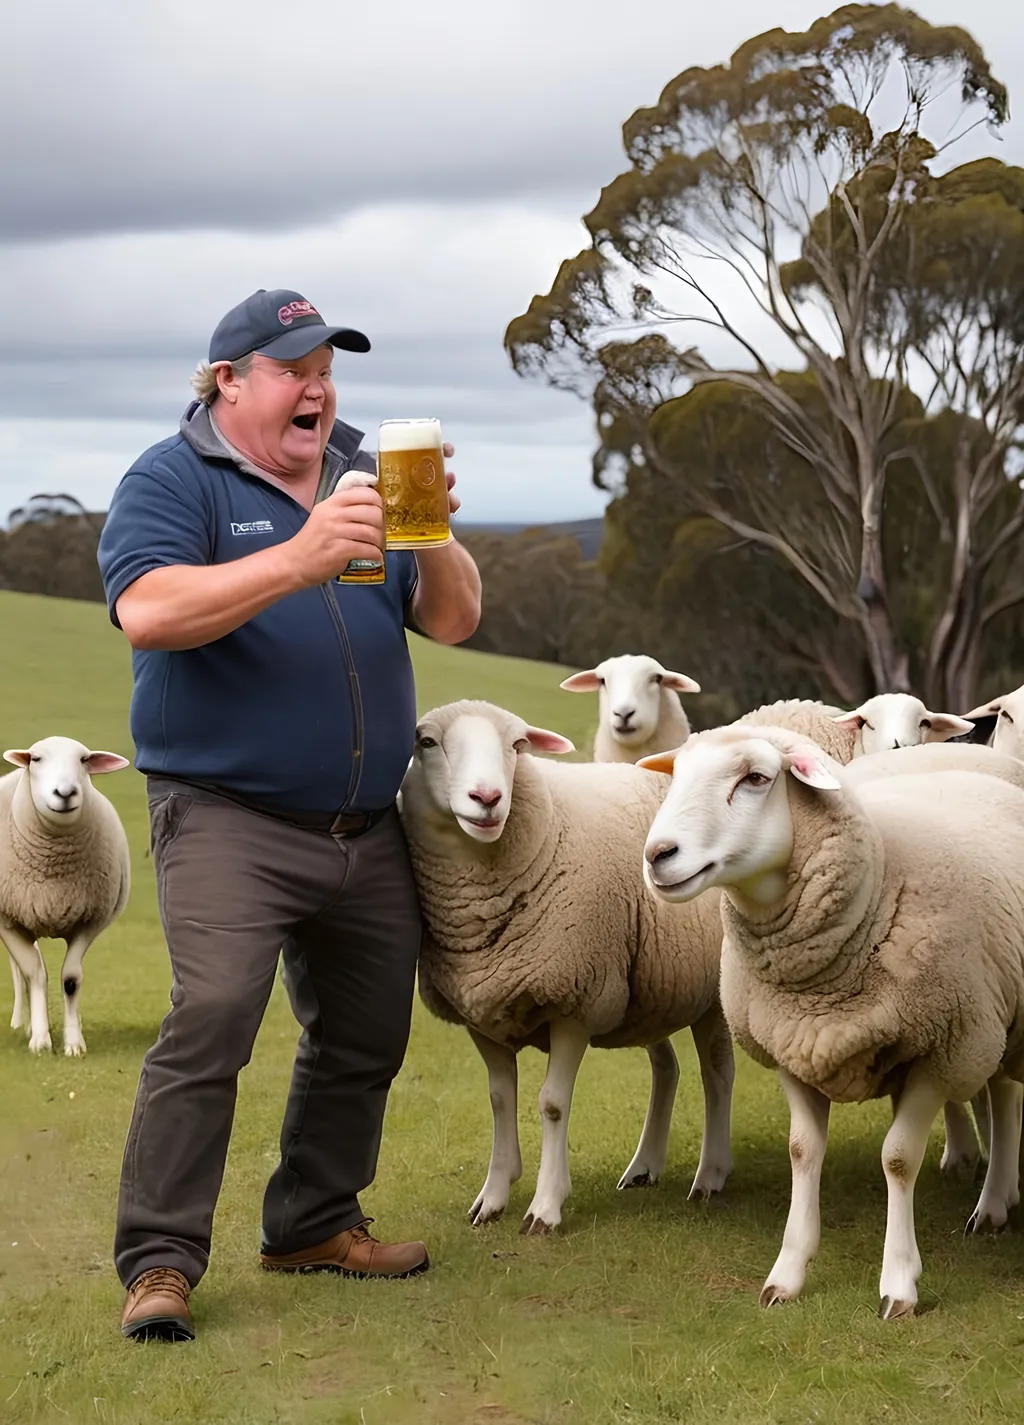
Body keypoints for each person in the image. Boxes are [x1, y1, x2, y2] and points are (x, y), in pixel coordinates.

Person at [96, 288, 482, 1343]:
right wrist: (300, 557)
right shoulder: (176, 477)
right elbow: (149, 610)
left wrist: (432, 530)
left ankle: (313, 1222)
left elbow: (453, 618)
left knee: (366, 1035)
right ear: (229, 381)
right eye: (291, 366)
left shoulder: (363, 465)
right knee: (213, 1019)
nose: (317, 386)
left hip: (364, 824)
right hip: (227, 815)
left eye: (326, 366)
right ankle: (160, 1264)